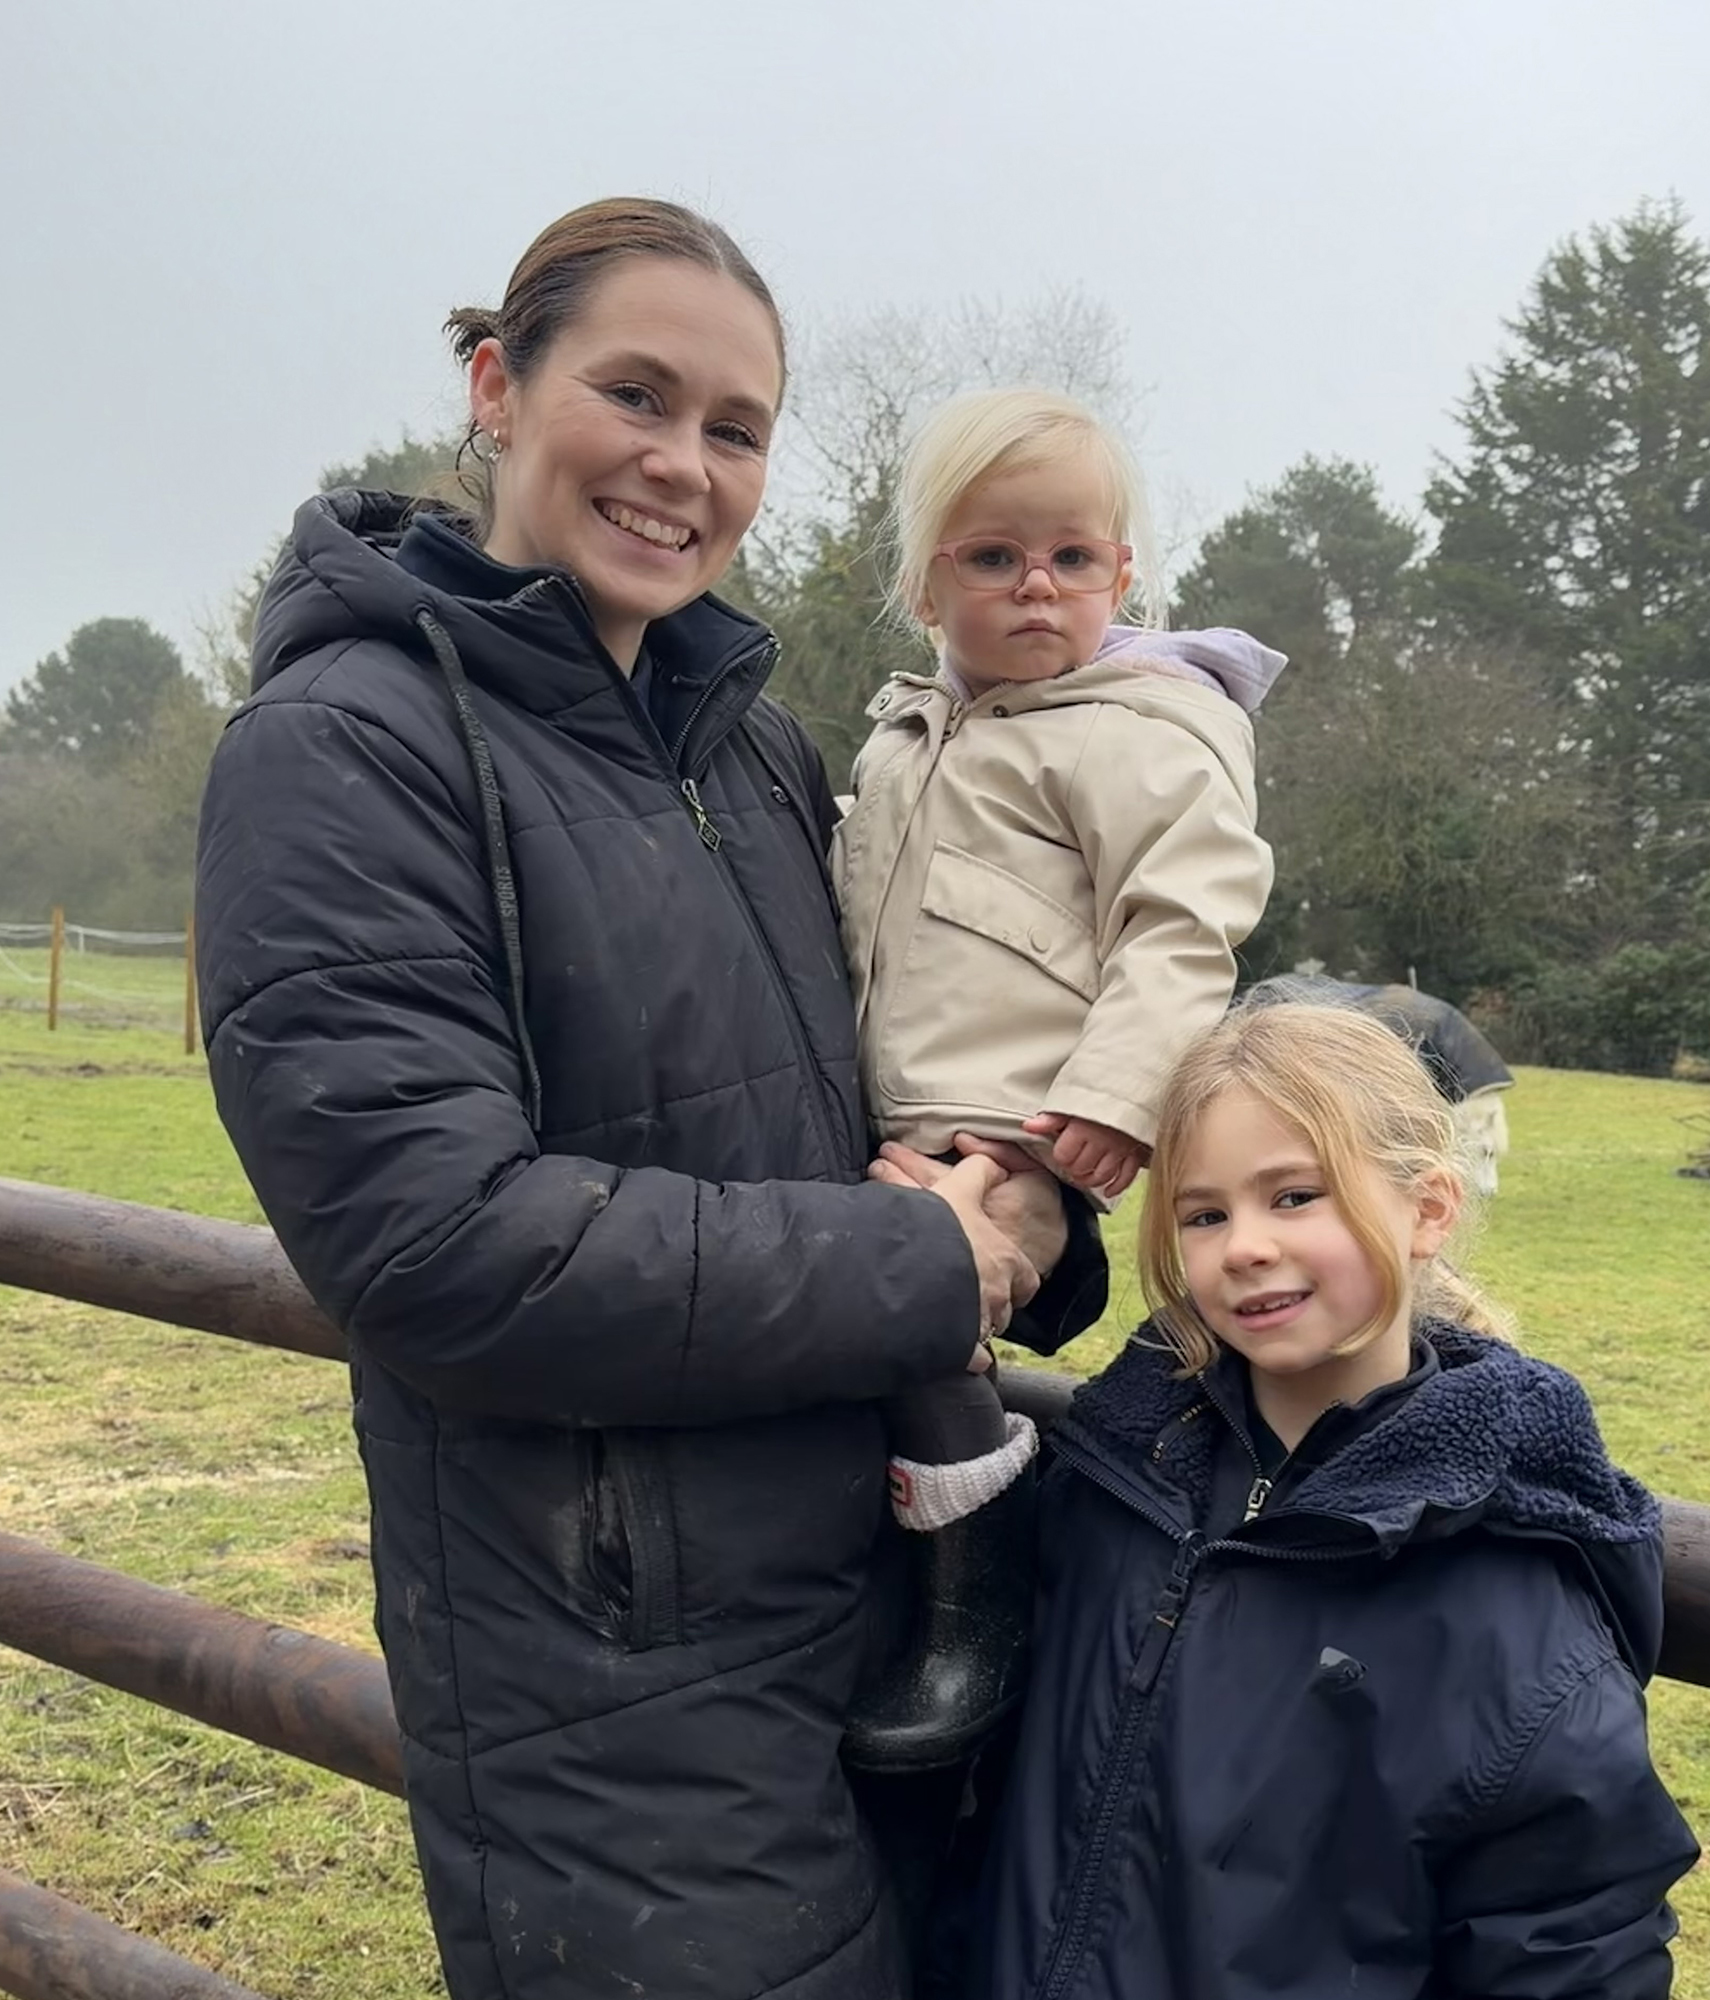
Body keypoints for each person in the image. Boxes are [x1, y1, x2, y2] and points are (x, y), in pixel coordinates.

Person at [194, 198, 1104, 2000]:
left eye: (738, 428)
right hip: (607, 1681)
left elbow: (884, 1082)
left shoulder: (752, 746)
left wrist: (1028, 1198)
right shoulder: (348, 748)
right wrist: (934, 1269)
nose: (684, 466)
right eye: (638, 394)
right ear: (495, 387)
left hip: (886, 1605)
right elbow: (442, 1245)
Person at [960, 1002, 1700, 1999]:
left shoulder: (1509, 1594)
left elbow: (1569, 1946)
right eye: (1203, 1211)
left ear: (1426, 1208)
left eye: (1295, 1194)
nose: (1245, 1245)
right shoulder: (1107, 1483)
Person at [832, 388, 1280, 1766]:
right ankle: (898, 1584)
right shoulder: (907, 737)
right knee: (845, 1323)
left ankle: (984, 1603)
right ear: (924, 584)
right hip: (889, 1116)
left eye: (1072, 559)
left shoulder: (1144, 732)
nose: (1038, 586)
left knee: (930, 1318)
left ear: (1123, 573)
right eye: (994, 557)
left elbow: (1184, 921)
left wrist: (1114, 1099)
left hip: (1023, 1129)